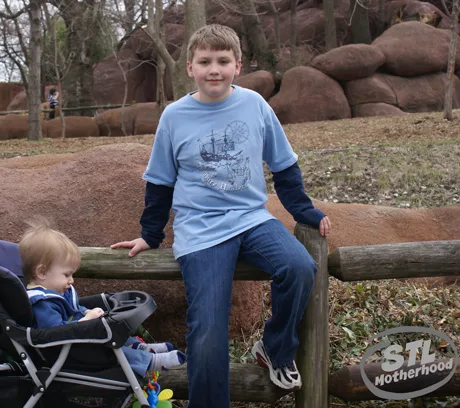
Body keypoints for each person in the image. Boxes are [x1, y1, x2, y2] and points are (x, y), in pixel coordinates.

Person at [110, 24, 332, 408]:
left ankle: (275, 349)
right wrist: (151, 234)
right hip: (201, 229)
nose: (215, 69)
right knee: (209, 330)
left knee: (298, 266)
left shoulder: (255, 105)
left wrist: (304, 211)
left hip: (251, 218)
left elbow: (284, 166)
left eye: (223, 61)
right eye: (205, 61)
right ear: (190, 68)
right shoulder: (175, 117)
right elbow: (159, 182)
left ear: (238, 65)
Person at [19, 218, 186, 378]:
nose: (71, 280)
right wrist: (87, 321)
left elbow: (74, 311)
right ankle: (149, 361)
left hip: (76, 340)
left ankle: (138, 346)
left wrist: (88, 313)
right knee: (108, 345)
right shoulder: (42, 303)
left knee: (109, 328)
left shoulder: (57, 291)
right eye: (66, 274)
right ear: (41, 272)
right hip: (66, 352)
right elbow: (54, 335)